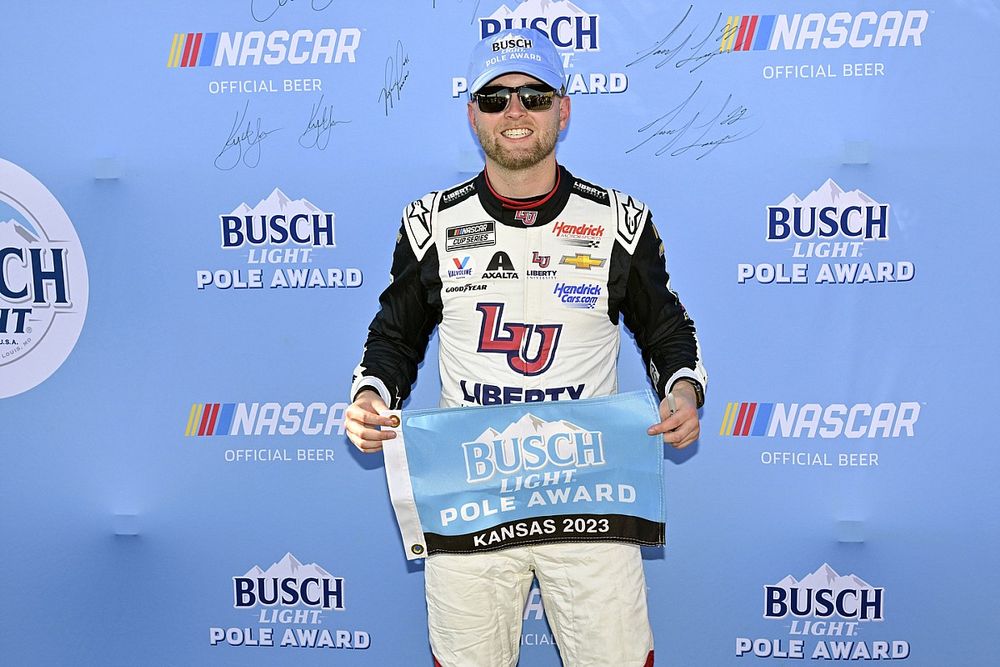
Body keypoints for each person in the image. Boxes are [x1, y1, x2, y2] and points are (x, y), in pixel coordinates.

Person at [345, 28, 707, 667]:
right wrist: (372, 395)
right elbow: (395, 338)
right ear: (472, 115)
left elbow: (665, 329)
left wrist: (681, 386)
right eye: (496, 98)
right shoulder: (430, 223)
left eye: (535, 96)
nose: (515, 112)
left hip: (589, 493)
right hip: (472, 492)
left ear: (563, 110)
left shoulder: (619, 220)